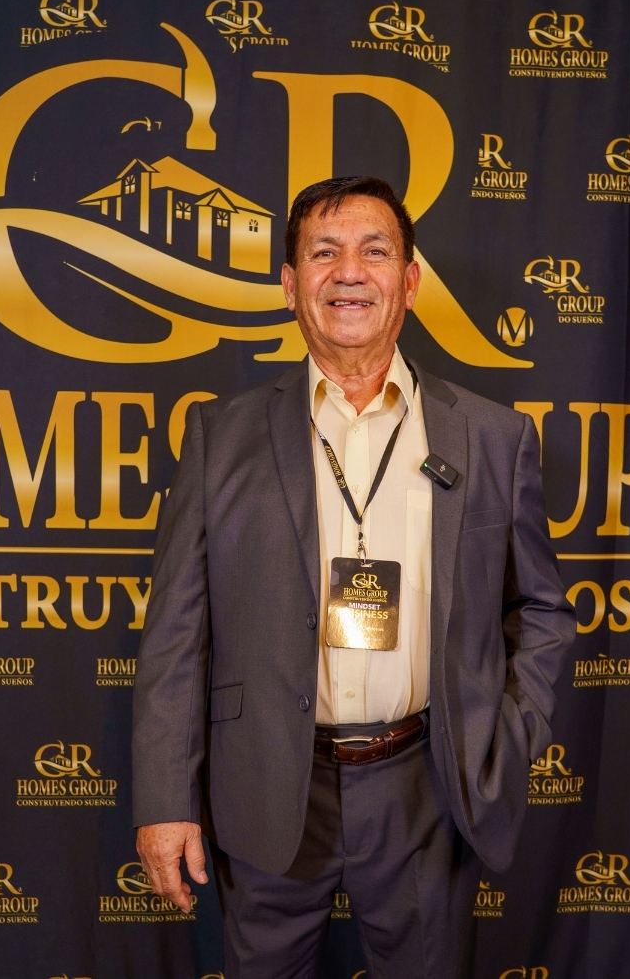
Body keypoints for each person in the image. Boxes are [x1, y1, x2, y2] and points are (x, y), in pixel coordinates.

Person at [131, 176, 576, 978]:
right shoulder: (218, 436)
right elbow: (174, 635)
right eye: (323, 253)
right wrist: (165, 800)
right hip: (268, 782)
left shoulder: (492, 437)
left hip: (427, 785)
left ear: (409, 279)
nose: (348, 272)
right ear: (290, 283)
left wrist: (502, 734)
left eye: (375, 251)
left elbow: (541, 609)